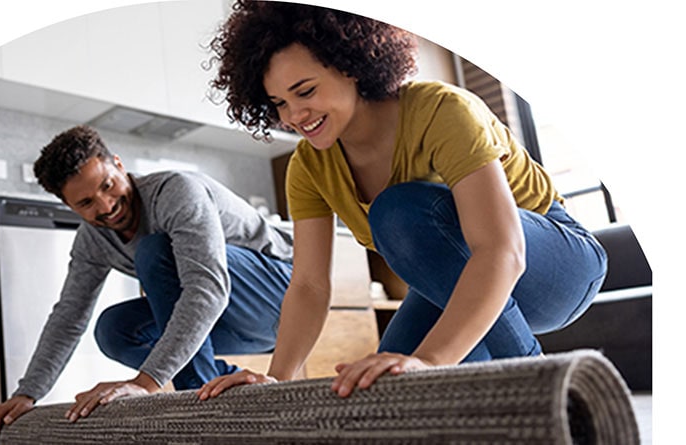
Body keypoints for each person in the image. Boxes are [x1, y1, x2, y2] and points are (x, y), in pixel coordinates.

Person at [197, 1, 607, 401]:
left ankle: (549, 396)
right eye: (280, 104)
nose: (294, 116)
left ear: (350, 65)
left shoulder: (443, 110)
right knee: (382, 392)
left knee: (399, 211)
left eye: (304, 91)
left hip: (555, 266)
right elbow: (308, 284)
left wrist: (431, 359)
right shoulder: (308, 167)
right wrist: (278, 379)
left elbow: (502, 249)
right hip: (454, 284)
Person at [0, 125, 293, 444]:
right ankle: (221, 390)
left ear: (118, 164)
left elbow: (206, 290)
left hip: (280, 297)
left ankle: (205, 416)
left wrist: (146, 382)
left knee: (155, 250)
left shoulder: (175, 192)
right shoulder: (92, 241)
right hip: (227, 323)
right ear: (70, 207)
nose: (105, 206)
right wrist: (28, 393)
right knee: (114, 330)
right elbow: (68, 317)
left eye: (108, 185)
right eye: (86, 203)